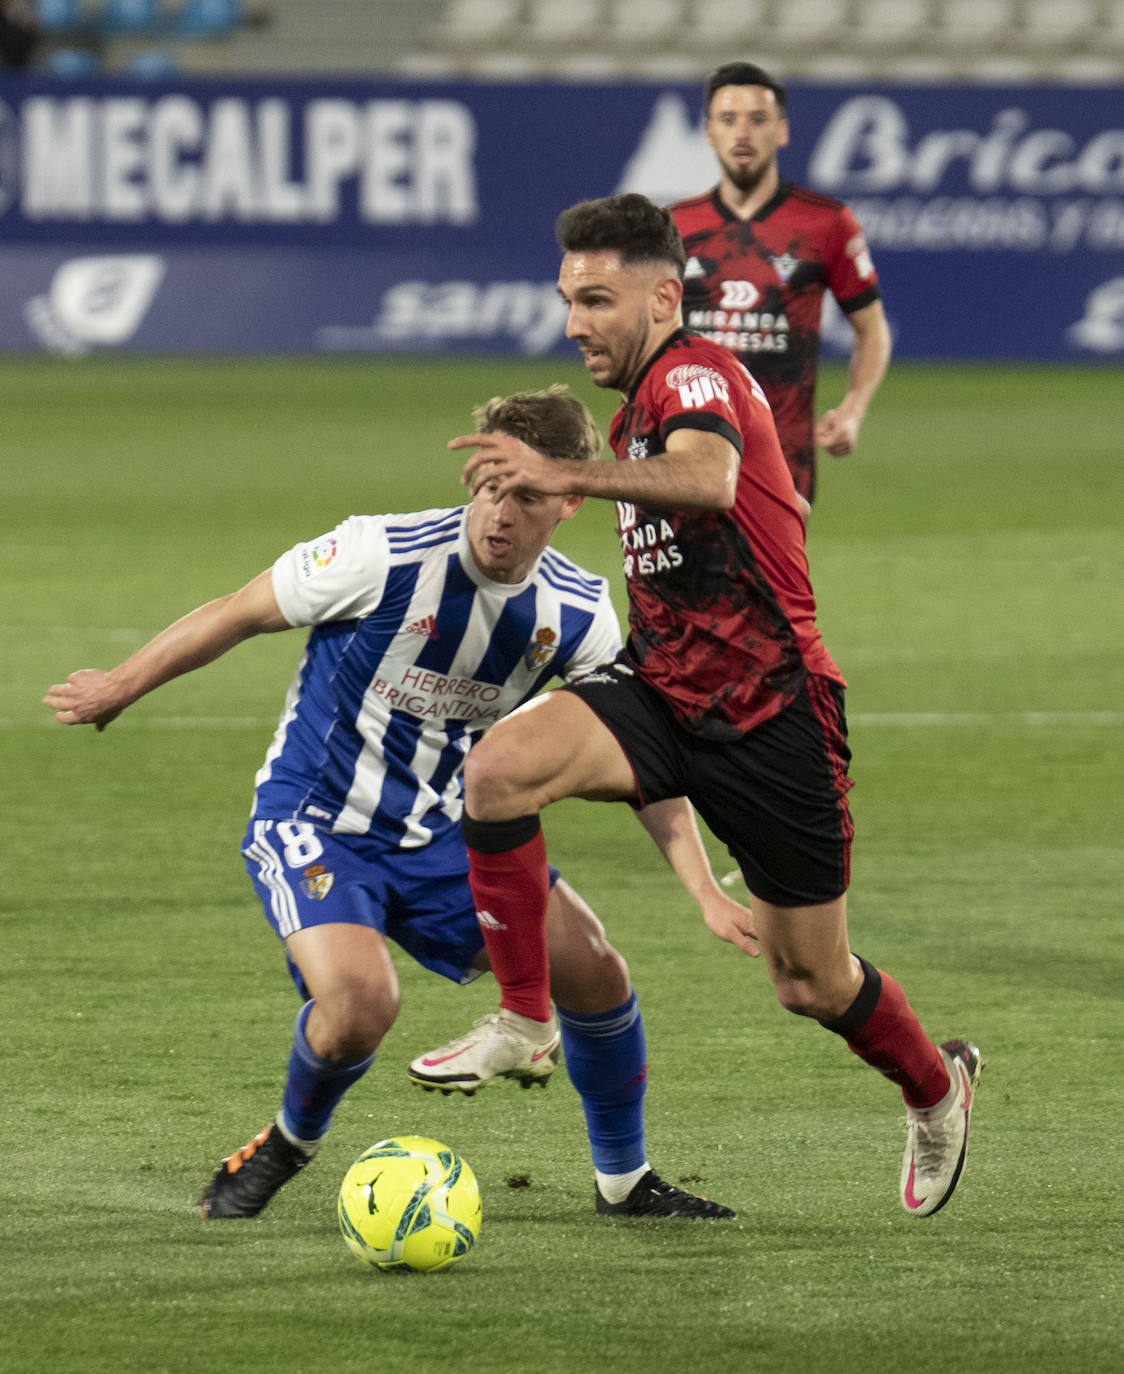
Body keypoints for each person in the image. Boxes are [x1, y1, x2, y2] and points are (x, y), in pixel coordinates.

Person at [44, 385, 746, 1222]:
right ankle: (286, 1145)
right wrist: (121, 685)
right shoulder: (378, 554)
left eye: (524, 496)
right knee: (361, 1008)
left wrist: (703, 888)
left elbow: (639, 760)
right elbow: (238, 612)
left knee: (594, 970)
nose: (500, 514)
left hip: (448, 836)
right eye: (489, 487)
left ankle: (625, 1182)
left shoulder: (578, 609)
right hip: (314, 821)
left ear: (570, 500)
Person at [412, 196, 982, 1219]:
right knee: (496, 771)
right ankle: (526, 1015)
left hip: (771, 714)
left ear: (663, 295)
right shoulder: (642, 402)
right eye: (566, 299)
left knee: (808, 981)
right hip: (662, 688)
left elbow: (711, 480)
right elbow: (746, 496)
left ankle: (936, 1088)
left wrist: (556, 468)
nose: (574, 320)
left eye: (595, 298)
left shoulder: (692, 372)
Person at [667, 61, 892, 505]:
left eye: (757, 119)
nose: (743, 133)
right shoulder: (675, 227)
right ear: (709, 132)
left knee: (771, 578)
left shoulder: (826, 224)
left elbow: (872, 329)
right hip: (688, 447)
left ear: (782, 131)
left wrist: (852, 410)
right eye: (728, 120)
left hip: (782, 459)